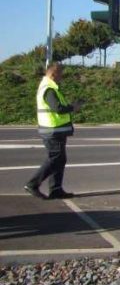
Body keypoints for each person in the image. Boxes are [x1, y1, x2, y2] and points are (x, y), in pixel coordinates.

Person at [24, 63, 82, 199]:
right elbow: (58, 108)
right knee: (56, 158)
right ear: (53, 74)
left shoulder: (50, 87)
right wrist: (73, 107)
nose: (62, 77)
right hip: (52, 130)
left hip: (55, 130)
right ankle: (32, 184)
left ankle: (56, 189)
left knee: (59, 159)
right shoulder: (49, 89)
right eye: (60, 74)